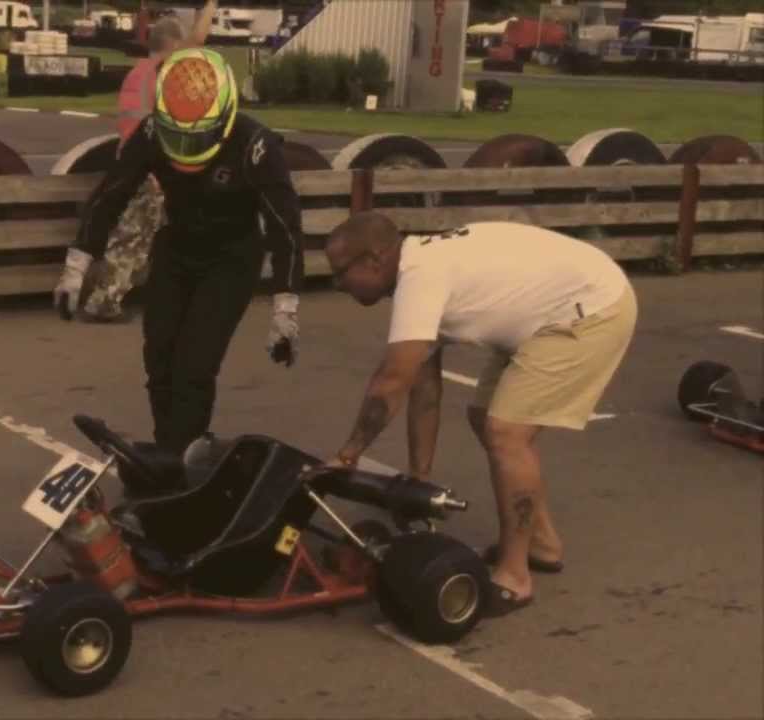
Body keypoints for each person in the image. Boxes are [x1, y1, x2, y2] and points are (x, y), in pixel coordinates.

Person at [320, 212, 638, 617]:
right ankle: (541, 542)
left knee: (506, 433)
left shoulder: (422, 278)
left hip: (592, 309)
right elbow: (424, 389)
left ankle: (515, 577)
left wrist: (347, 455)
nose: (338, 285)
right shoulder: (414, 272)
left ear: (374, 260)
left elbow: (392, 382)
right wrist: (418, 481)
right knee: (484, 415)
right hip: (551, 312)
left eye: (340, 273)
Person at [53, 47, 305, 456]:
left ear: (223, 118)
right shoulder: (152, 132)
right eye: (178, 133)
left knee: (195, 366)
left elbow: (285, 229)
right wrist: (75, 267)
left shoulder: (256, 147)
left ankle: (179, 456)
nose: (186, 144)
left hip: (232, 258)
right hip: (177, 245)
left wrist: (285, 311)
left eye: (197, 135)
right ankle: (173, 447)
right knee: (159, 358)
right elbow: (111, 193)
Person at [80, 1, 217, 322]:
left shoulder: (137, 73)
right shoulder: (162, 73)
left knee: (146, 235)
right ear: (171, 46)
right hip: (149, 171)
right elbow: (197, 42)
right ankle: (103, 302)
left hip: (132, 166)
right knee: (133, 240)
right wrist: (210, 5)